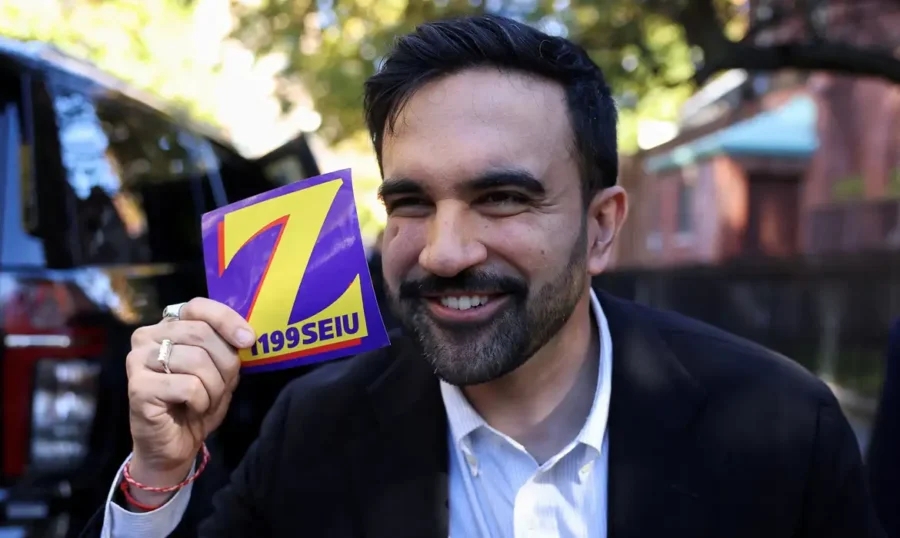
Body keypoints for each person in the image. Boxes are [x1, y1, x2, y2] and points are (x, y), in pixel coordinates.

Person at [82, 14, 884, 538]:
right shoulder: (311, 430)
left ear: (601, 228)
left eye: (501, 198)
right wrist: (158, 477)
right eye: (411, 202)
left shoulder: (783, 429)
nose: (444, 252)